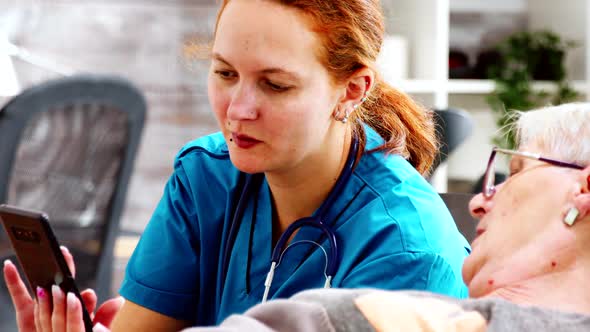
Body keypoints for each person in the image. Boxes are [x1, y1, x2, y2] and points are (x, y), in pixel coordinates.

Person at [4, 0, 470, 330]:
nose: (237, 110)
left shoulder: (408, 254)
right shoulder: (205, 178)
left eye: (275, 85)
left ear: (351, 90)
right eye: (226, 74)